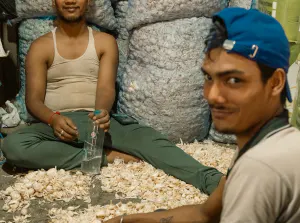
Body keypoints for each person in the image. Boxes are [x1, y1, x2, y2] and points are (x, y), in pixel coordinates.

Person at [86, 8, 300, 223]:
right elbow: (205, 215)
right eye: (210, 78)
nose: (213, 95)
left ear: (275, 82)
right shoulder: (274, 141)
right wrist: (122, 221)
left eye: (234, 81)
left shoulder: (260, 166)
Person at [1, 0, 222, 195]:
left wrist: (101, 113)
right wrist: (53, 119)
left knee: (153, 141)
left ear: (89, 3)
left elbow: (106, 88)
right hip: (58, 126)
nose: (70, 1)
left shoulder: (104, 42)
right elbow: (33, 100)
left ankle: (214, 181)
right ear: (53, 3)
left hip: (98, 120)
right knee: (13, 146)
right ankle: (108, 157)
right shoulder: (40, 46)